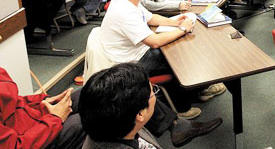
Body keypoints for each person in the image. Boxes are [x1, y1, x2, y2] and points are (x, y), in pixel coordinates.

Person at [99, 0, 225, 119]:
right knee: (179, 57)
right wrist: (183, 29)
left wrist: (175, 22)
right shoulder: (125, 11)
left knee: (180, 48)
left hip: (138, 52)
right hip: (131, 63)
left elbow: (151, 18)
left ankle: (199, 90)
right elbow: (154, 42)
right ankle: (182, 107)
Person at [79, 63, 223, 148]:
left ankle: (177, 125)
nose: (154, 94)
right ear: (139, 114)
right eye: (153, 92)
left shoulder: (110, 128)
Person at [0, 67, 85, 149]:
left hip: (29, 121)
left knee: (85, 95)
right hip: (31, 140)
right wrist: (55, 119)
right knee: (83, 121)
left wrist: (44, 100)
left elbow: (13, 101)